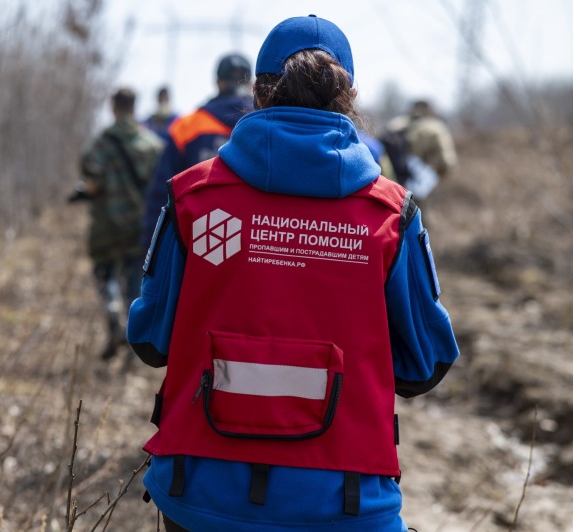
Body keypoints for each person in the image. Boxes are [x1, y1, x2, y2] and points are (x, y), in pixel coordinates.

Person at [127, 14, 459, 531]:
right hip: (344, 504)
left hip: (199, 494)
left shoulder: (192, 198)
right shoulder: (392, 215)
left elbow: (150, 341)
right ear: (350, 96)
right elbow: (424, 366)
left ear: (257, 94)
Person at [76, 87, 162, 360]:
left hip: (106, 225)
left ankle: (112, 312)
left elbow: (89, 172)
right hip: (139, 227)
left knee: (106, 274)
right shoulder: (152, 145)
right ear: (134, 107)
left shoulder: (100, 143)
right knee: (135, 284)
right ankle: (132, 338)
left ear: (114, 107)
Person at [141, 53, 255, 247]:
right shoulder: (266, 125)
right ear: (250, 83)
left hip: (197, 241)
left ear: (218, 82)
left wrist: (151, 244)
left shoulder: (186, 127)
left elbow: (163, 191)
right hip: (255, 242)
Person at [382, 100, 457, 224]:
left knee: (395, 225)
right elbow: (447, 162)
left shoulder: (394, 125)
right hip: (421, 187)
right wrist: (435, 178)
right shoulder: (435, 128)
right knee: (421, 225)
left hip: (394, 186)